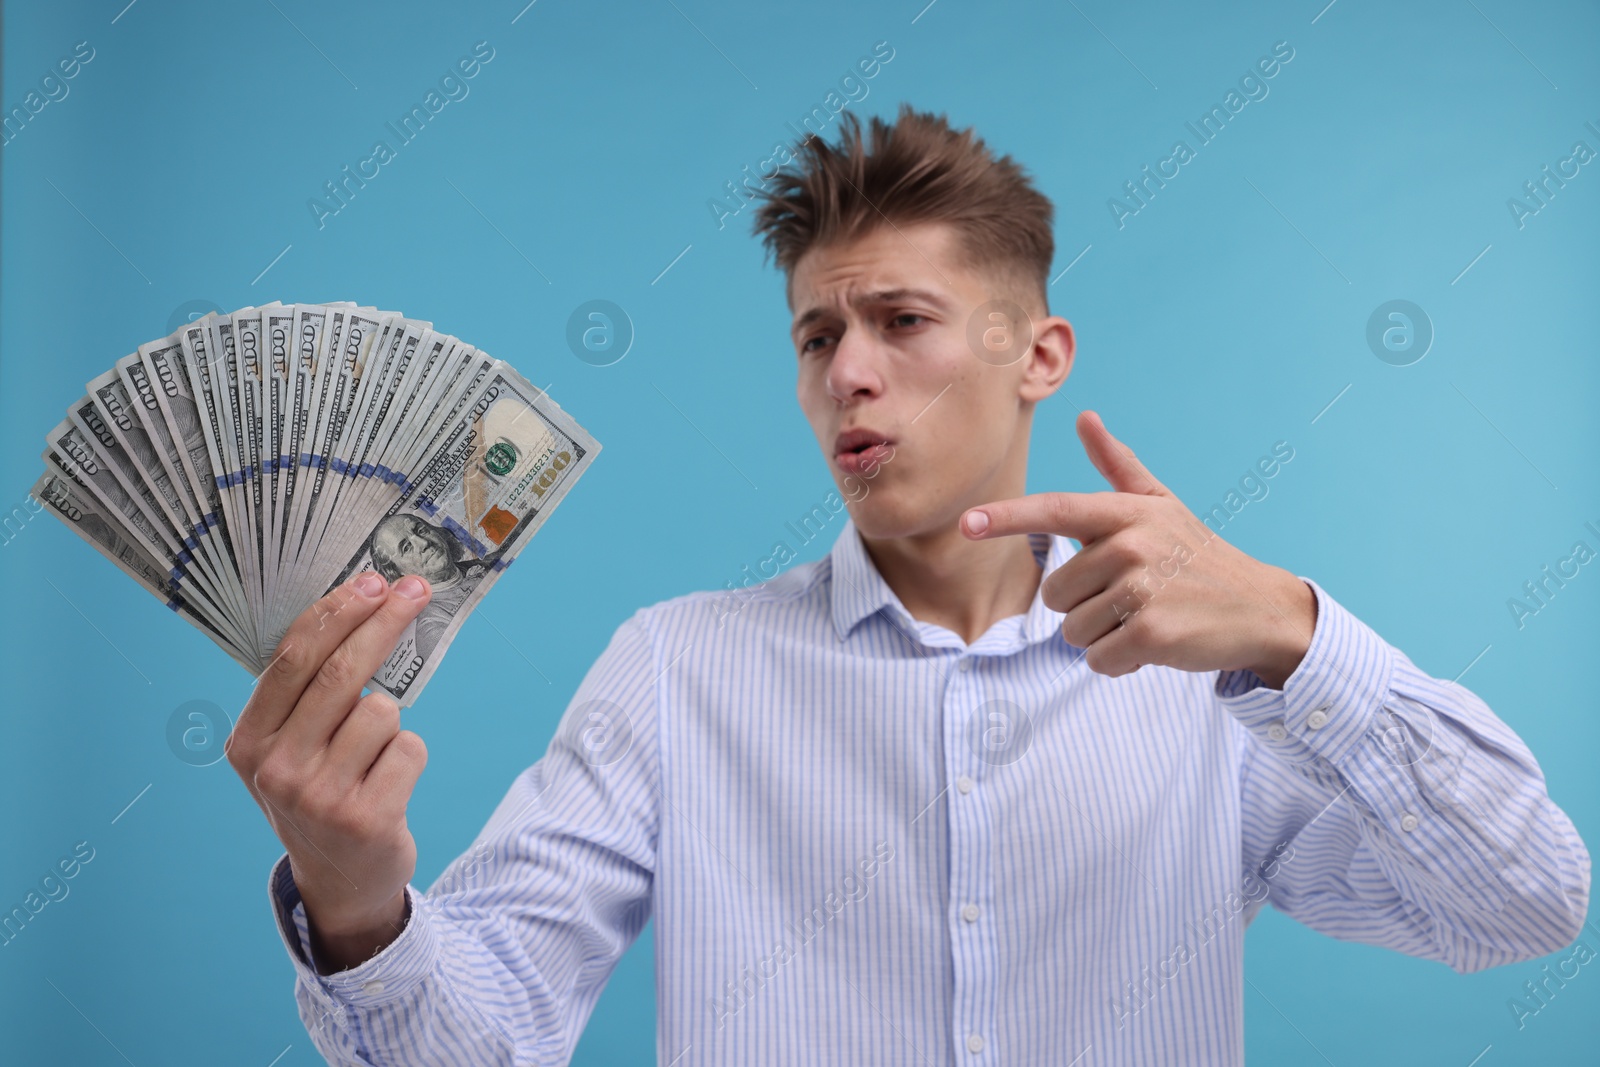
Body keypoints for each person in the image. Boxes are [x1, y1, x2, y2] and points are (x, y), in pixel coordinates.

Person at [224, 106, 1590, 1065]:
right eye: (818, 333)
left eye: (902, 322)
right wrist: (355, 899)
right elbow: (477, 1043)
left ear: (1039, 353)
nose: (847, 374)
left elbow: (1525, 901)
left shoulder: (1208, 681)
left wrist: (1298, 639)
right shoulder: (678, 670)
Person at [365, 512, 490, 660]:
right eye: (406, 548)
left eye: (421, 530)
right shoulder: (432, 628)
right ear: (400, 574)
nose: (423, 543)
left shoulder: (487, 563)